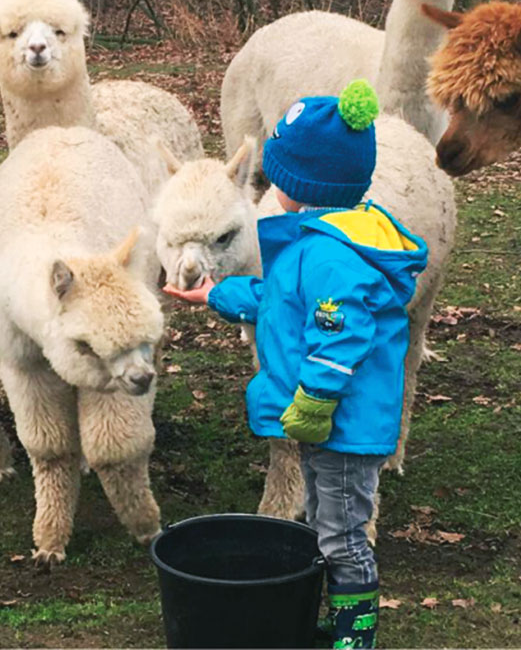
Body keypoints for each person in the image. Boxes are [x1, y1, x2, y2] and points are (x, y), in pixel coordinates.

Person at [165, 80, 427, 649]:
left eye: (276, 173)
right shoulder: (314, 242)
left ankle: (355, 635)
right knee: (323, 523)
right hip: (329, 426)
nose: (270, 183)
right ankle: (322, 615)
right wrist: (215, 295)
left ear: (300, 185)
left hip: (342, 428)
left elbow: (340, 338)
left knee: (343, 535)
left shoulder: (330, 258)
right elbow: (277, 302)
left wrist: (313, 403)